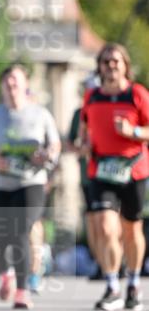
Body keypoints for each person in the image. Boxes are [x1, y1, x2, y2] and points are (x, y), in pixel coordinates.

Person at [0, 64, 61, 310]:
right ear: (2, 87)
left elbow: (55, 145)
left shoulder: (40, 115)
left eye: (16, 82)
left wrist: (46, 156)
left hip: (30, 183)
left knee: (21, 229)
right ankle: (5, 274)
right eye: (7, 84)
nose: (11, 88)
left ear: (25, 85)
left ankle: (22, 291)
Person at [79, 42, 149, 311]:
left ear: (124, 65)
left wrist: (133, 132)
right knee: (107, 227)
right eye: (106, 61)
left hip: (133, 170)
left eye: (116, 61)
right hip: (101, 169)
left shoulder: (137, 94)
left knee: (132, 229)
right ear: (99, 66)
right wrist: (83, 142)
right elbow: (85, 128)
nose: (111, 66)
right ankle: (112, 285)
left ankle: (133, 281)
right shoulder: (92, 96)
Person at [65, 77, 103, 280]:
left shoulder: (112, 109)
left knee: (116, 220)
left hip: (116, 177)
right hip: (88, 175)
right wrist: (82, 149)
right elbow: (69, 144)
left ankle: (120, 264)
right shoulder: (79, 115)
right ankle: (100, 262)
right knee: (94, 221)